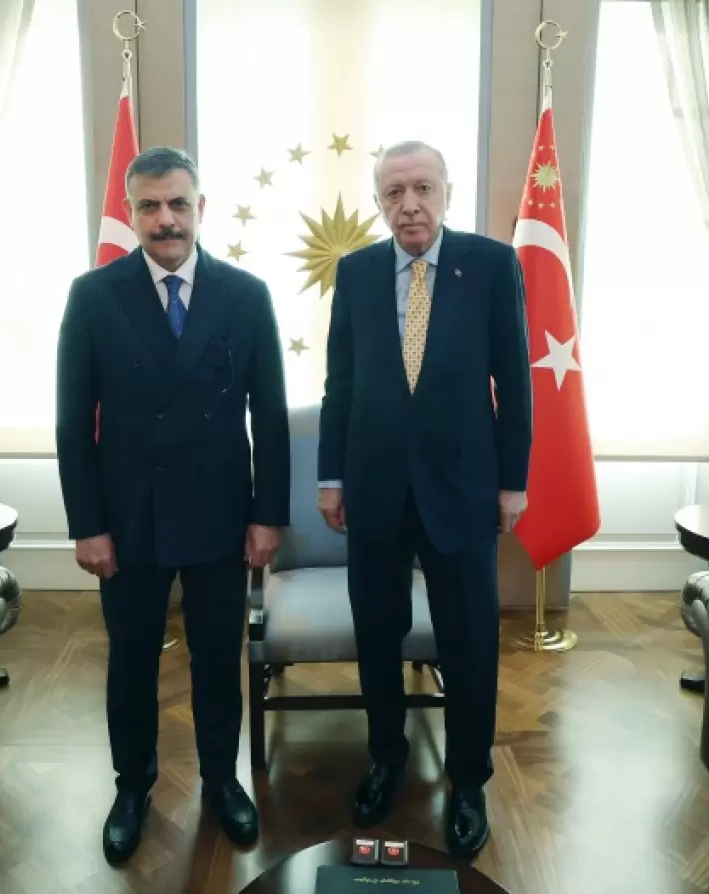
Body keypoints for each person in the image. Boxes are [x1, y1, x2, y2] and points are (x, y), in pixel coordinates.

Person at [55, 146, 290, 863]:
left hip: (221, 515)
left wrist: (268, 514)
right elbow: (72, 423)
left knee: (218, 659)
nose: (166, 220)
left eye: (178, 204)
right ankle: (132, 787)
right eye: (150, 206)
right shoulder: (94, 295)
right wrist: (87, 526)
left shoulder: (245, 295)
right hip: (128, 521)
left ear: (200, 208)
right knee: (131, 663)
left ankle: (222, 780)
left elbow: (270, 416)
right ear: (131, 214)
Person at [316, 141, 532, 858]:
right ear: (380, 200)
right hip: (374, 489)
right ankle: (387, 758)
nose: (409, 205)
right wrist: (330, 478)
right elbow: (340, 385)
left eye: (423, 189)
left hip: (463, 489)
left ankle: (468, 781)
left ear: (446, 192)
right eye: (394, 192)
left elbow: (515, 382)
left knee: (469, 644)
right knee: (378, 637)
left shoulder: (492, 265)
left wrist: (513, 481)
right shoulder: (356, 272)